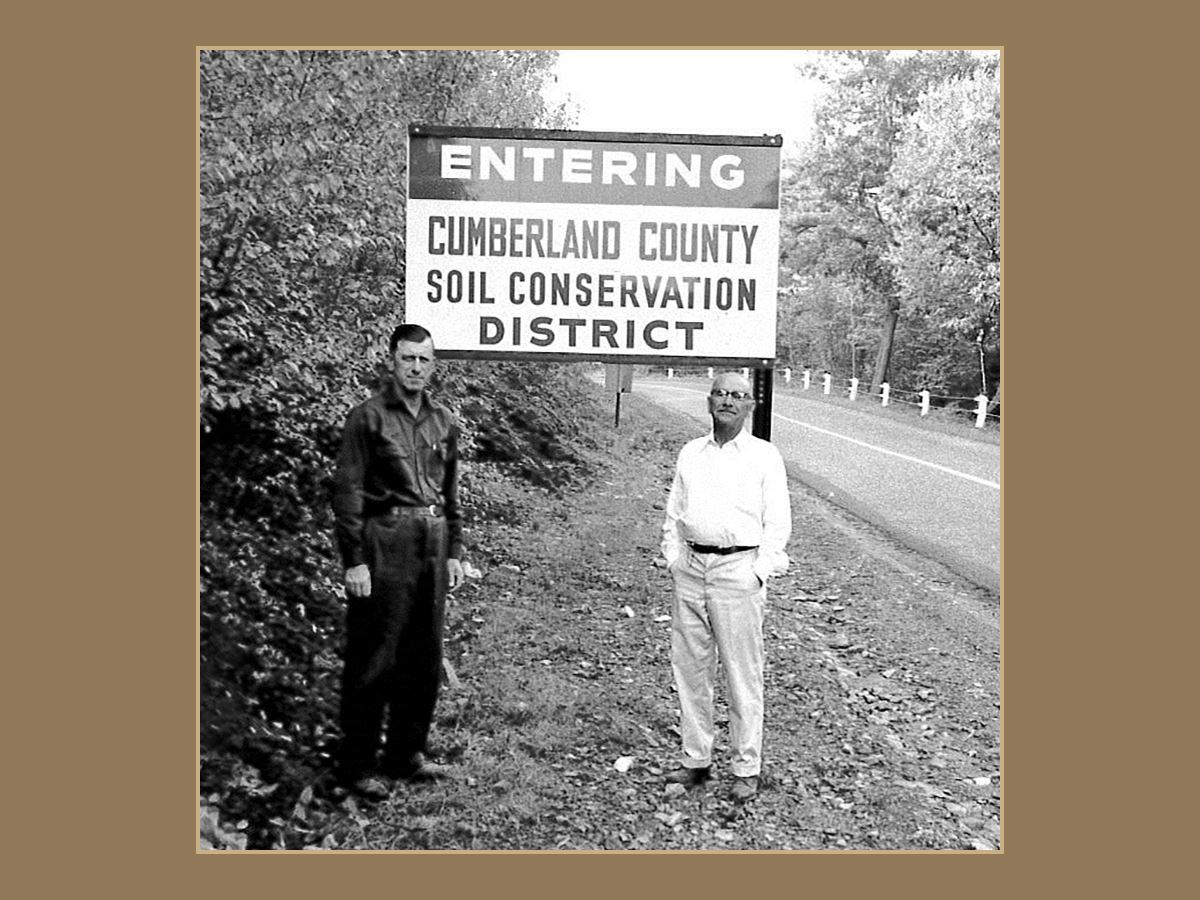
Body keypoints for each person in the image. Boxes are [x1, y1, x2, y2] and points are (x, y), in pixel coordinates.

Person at [331, 323, 465, 800]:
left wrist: (455, 551)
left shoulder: (443, 421)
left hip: (433, 540)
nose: (415, 367)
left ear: (433, 366)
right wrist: (355, 560)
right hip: (385, 538)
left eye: (424, 360)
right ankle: (357, 764)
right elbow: (347, 492)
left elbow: (450, 491)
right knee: (375, 654)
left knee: (423, 654)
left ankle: (406, 754)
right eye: (408, 358)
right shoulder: (367, 418)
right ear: (392, 360)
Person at [660, 371, 792, 801]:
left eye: (738, 395)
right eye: (720, 393)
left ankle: (745, 767)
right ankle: (695, 759)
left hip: (738, 570)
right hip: (691, 568)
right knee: (690, 670)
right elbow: (674, 512)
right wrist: (674, 559)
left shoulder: (764, 456)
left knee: (741, 674)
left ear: (750, 404)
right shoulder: (691, 453)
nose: (728, 401)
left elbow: (778, 522)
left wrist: (760, 570)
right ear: (709, 401)